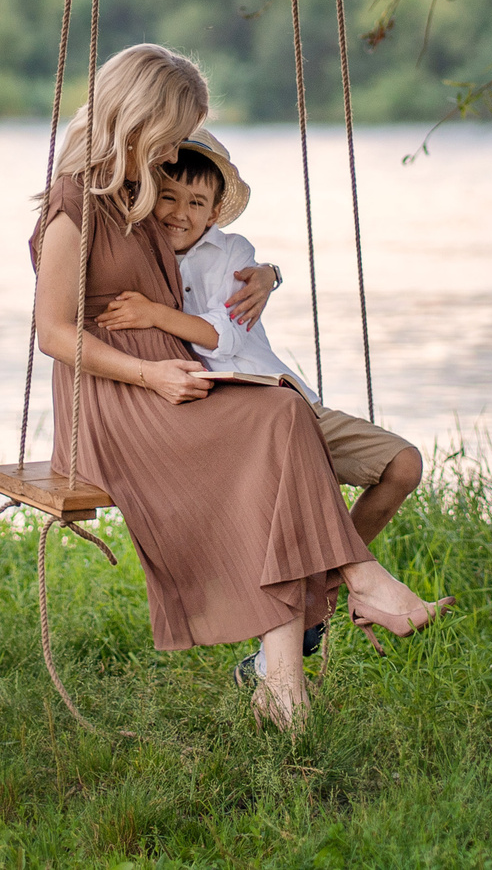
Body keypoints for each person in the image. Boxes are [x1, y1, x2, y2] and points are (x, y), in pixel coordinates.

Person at [30, 42, 451, 730]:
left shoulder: (140, 197)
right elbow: (52, 331)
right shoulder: (75, 206)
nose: (174, 156)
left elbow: (211, 248)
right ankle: (360, 579)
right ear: (139, 119)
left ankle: (282, 682)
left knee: (282, 416)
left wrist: (269, 272)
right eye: (172, 136)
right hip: (111, 401)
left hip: (176, 379)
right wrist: (149, 372)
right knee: (278, 418)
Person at [93, 129, 426, 685]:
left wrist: (166, 311)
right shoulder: (140, 250)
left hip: (283, 395)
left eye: (196, 203)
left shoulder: (234, 253)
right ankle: (318, 617)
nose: (179, 212)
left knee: (403, 464)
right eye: (169, 196)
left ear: (215, 210)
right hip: (233, 418)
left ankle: (325, 591)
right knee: (287, 501)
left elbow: (223, 335)